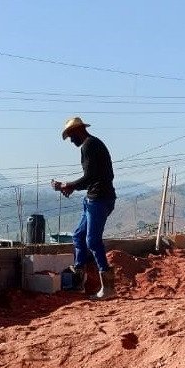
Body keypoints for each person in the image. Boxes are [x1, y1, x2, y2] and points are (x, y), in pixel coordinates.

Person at [51, 116, 117, 300]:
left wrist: (69, 185)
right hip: (95, 199)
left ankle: (108, 287)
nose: (71, 141)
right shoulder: (93, 144)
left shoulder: (89, 145)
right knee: (78, 236)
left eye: (71, 136)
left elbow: (90, 177)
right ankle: (78, 281)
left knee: (93, 241)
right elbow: (95, 177)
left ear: (78, 131)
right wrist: (71, 186)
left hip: (99, 200)